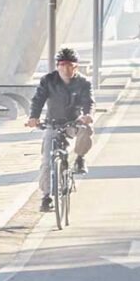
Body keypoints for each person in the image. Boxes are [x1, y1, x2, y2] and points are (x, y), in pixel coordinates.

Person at [26, 46, 94, 209]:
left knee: (87, 130)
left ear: (76, 66)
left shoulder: (83, 82)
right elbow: (38, 99)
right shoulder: (48, 80)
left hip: (74, 122)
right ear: (57, 66)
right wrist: (34, 118)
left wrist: (88, 115)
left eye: (70, 65)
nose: (66, 68)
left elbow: (88, 102)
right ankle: (46, 196)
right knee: (47, 161)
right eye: (63, 64)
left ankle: (79, 158)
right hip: (53, 123)